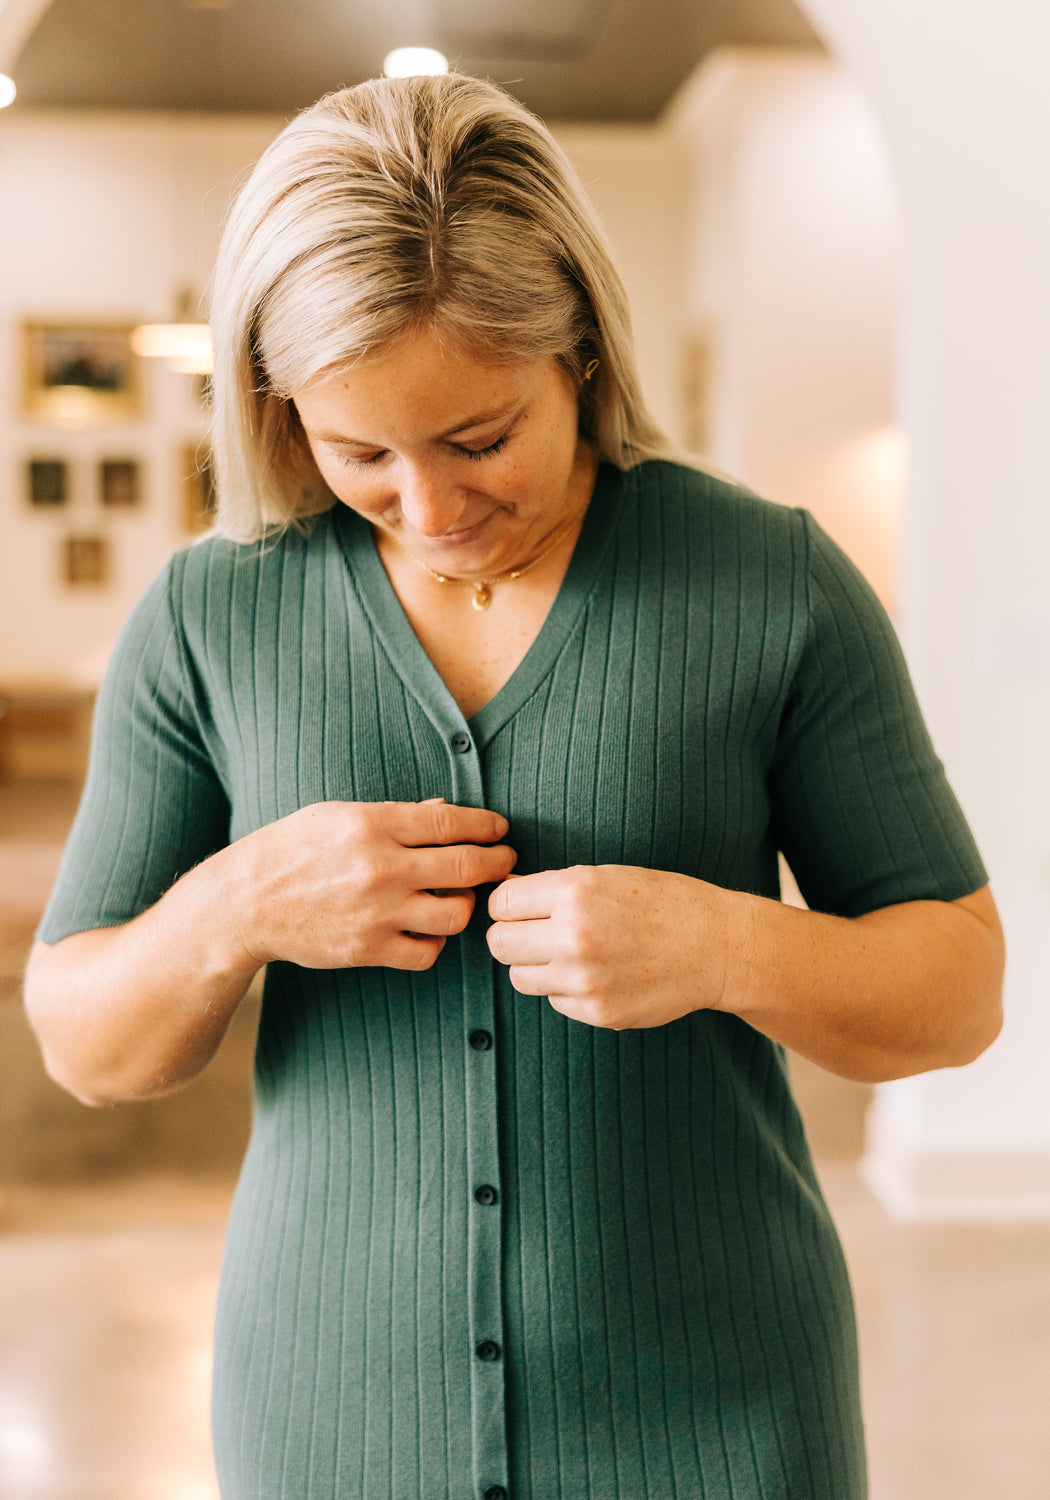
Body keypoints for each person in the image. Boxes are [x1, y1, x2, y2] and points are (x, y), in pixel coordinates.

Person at [25, 73, 1003, 1500]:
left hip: (722, 1412)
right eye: (358, 453)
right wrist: (240, 903)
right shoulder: (208, 616)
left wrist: (727, 944)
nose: (430, 508)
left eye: (479, 438)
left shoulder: (771, 583)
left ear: (584, 361)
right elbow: (85, 1046)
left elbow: (957, 989)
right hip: (334, 1415)